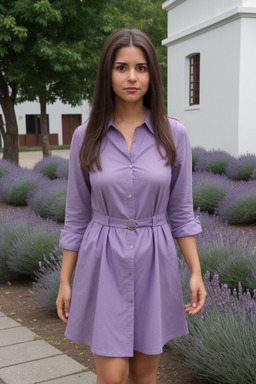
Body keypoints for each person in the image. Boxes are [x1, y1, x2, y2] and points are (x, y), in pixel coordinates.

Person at [56, 28, 207, 384]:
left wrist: (196, 271)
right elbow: (76, 215)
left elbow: (182, 212)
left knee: (144, 374)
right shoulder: (85, 135)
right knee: (112, 376)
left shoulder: (174, 134)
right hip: (102, 260)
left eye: (141, 68)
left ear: (152, 74)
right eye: (121, 67)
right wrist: (65, 280)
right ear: (107, 73)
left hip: (155, 259)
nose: (132, 77)